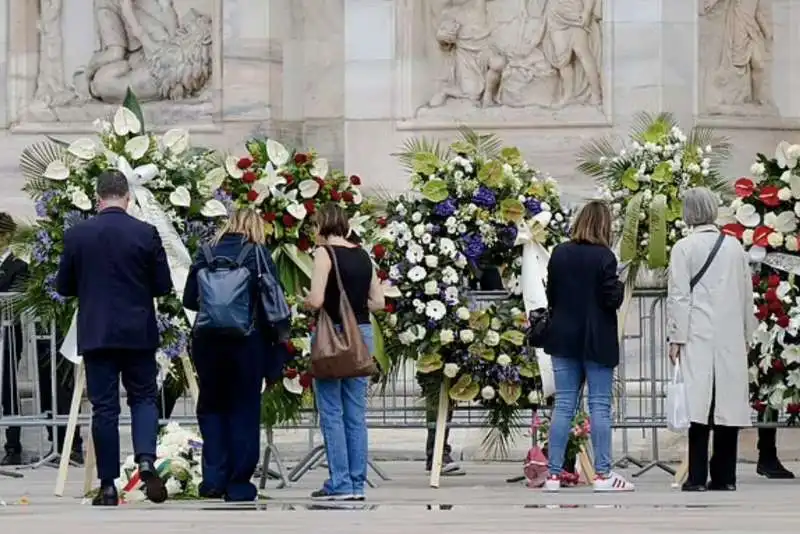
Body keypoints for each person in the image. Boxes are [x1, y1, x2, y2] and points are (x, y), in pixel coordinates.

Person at [55, 170, 170, 506]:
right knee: (144, 398)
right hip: (138, 331)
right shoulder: (145, 233)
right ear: (128, 198)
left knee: (104, 408)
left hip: (98, 331)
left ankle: (107, 485)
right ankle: (146, 459)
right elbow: (163, 285)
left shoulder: (78, 235)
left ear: (97, 198)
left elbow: (64, 287)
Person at [182, 208, 283, 502]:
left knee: (211, 408)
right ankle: (239, 483)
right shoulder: (258, 254)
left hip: (207, 343)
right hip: (247, 344)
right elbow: (273, 301)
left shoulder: (205, 253)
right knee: (244, 409)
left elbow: (190, 299)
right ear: (255, 227)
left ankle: (213, 479)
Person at [667, 187, 755, 492]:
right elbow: (747, 295)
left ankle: (696, 478)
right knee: (727, 405)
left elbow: (679, 296)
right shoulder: (734, 247)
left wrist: (676, 337)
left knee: (698, 406)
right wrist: (748, 333)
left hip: (697, 333)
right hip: (730, 333)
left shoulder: (683, 248)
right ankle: (725, 477)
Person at [542, 200, 633, 492]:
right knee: (599, 407)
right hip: (596, 339)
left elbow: (552, 295)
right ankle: (603, 474)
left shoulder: (559, 253)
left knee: (564, 406)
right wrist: (618, 283)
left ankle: (553, 475)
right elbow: (611, 300)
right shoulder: (604, 256)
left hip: (563, 337)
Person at [303, 203, 384, 501]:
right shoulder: (363, 255)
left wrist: (305, 302)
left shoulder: (324, 254)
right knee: (356, 413)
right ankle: (357, 483)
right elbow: (377, 302)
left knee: (332, 412)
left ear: (322, 224)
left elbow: (317, 298)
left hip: (332, 335)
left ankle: (339, 483)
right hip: (361, 335)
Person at [0, 213, 83, 467]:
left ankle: (17, 443)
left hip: (11, 336)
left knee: (12, 390)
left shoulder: (18, 266)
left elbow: (14, 299)